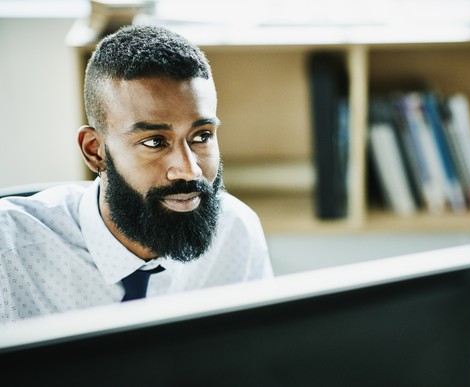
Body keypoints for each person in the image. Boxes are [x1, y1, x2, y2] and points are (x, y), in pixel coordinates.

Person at [0, 25, 273, 323]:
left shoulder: (236, 232)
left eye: (202, 136)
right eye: (155, 142)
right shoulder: (9, 253)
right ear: (95, 151)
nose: (189, 169)